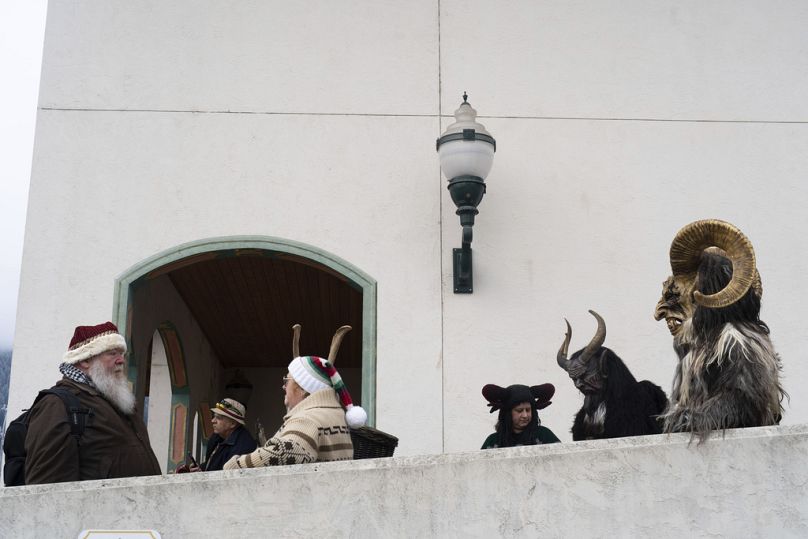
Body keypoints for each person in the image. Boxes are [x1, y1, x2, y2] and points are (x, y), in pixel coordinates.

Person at [24, 322, 161, 484]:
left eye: (122, 354)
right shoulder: (57, 404)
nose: (121, 360)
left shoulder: (119, 403)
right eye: (112, 353)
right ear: (85, 360)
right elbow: (46, 486)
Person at [223, 355, 366, 469]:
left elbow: (283, 452)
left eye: (287, 380)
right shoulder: (334, 413)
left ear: (303, 388)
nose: (283, 386)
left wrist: (236, 464)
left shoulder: (309, 419)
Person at [183, 398, 256, 472]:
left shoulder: (243, 448)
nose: (212, 421)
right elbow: (211, 464)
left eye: (218, 418)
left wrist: (203, 475)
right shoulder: (218, 436)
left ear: (232, 424)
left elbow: (226, 478)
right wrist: (200, 469)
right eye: (214, 416)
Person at [480, 383, 561, 449]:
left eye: (528, 410)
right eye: (519, 410)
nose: (525, 415)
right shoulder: (493, 441)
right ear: (508, 413)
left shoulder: (544, 435)